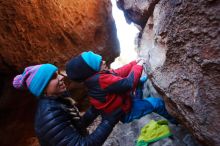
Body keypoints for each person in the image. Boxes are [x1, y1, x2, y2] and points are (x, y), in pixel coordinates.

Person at [12, 63, 123, 146]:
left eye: (58, 74)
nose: (61, 77)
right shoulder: (50, 116)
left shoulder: (58, 100)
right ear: (43, 88)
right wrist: (110, 120)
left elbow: (78, 125)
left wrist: (97, 108)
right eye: (53, 77)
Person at [66, 51, 176, 123]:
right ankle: (177, 121)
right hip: (127, 111)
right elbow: (128, 83)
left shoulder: (99, 75)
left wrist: (133, 63)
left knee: (140, 81)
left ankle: (141, 98)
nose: (104, 61)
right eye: (100, 62)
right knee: (157, 103)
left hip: (127, 101)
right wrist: (138, 66)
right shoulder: (100, 80)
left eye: (101, 59)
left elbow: (119, 72)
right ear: (92, 70)